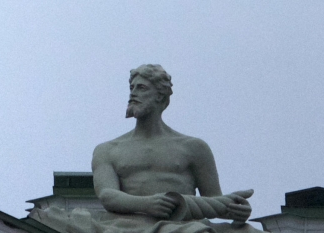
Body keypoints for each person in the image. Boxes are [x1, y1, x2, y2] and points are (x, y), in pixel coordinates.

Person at [30, 65, 258, 233]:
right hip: (127, 225)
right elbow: (108, 196)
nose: (133, 93)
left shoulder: (194, 148)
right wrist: (146, 204)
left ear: (160, 95)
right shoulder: (108, 149)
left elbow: (212, 202)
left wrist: (236, 212)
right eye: (131, 88)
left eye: (141, 88)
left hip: (183, 225)